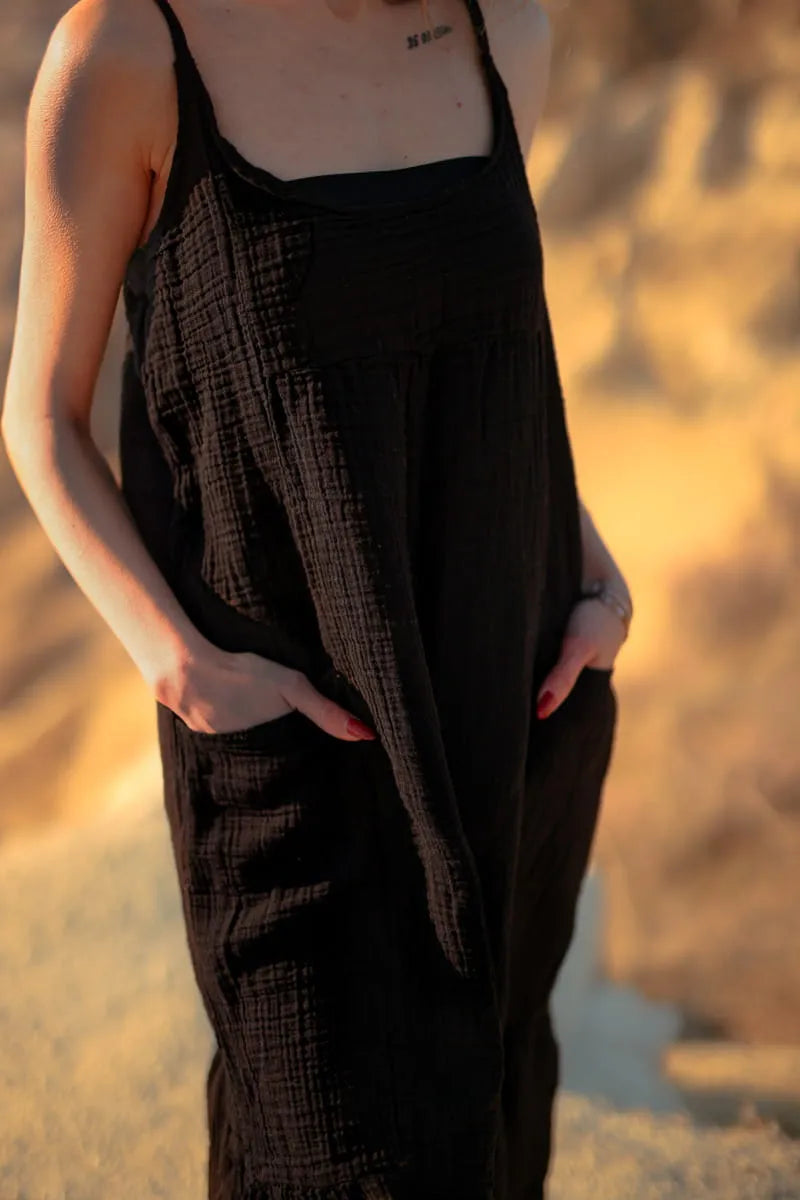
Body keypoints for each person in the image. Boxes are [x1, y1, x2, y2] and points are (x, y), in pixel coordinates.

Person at [1, 0, 633, 1195]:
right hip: (302, 762)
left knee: (493, 1143)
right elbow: (39, 415)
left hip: (515, 722)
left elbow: (475, 358)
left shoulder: (502, 27)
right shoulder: (128, 49)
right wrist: (176, 662)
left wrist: (590, 561)